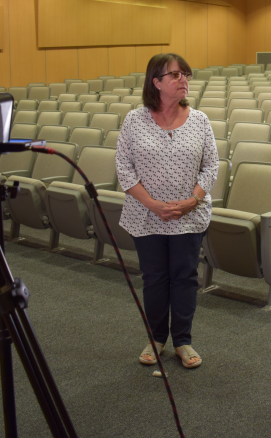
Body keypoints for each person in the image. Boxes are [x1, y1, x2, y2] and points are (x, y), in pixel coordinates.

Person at [115, 53, 218, 369]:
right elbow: (123, 167)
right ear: (156, 82)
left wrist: (193, 200)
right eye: (175, 74)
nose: (183, 79)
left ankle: (183, 341)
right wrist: (153, 205)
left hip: (189, 215)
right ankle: (156, 338)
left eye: (186, 74)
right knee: (155, 277)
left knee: (185, 277)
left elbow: (211, 165)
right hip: (147, 215)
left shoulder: (199, 120)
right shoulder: (135, 120)